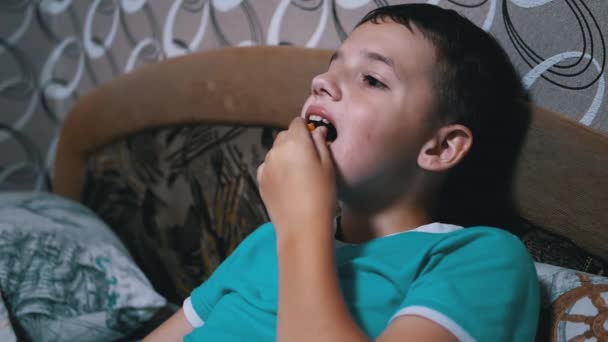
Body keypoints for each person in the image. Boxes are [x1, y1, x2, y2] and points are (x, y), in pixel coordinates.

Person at [144, 4, 539, 341]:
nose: (321, 82)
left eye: (372, 79)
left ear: (440, 147)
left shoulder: (478, 257)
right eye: (331, 69)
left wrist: (301, 222)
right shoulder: (268, 240)